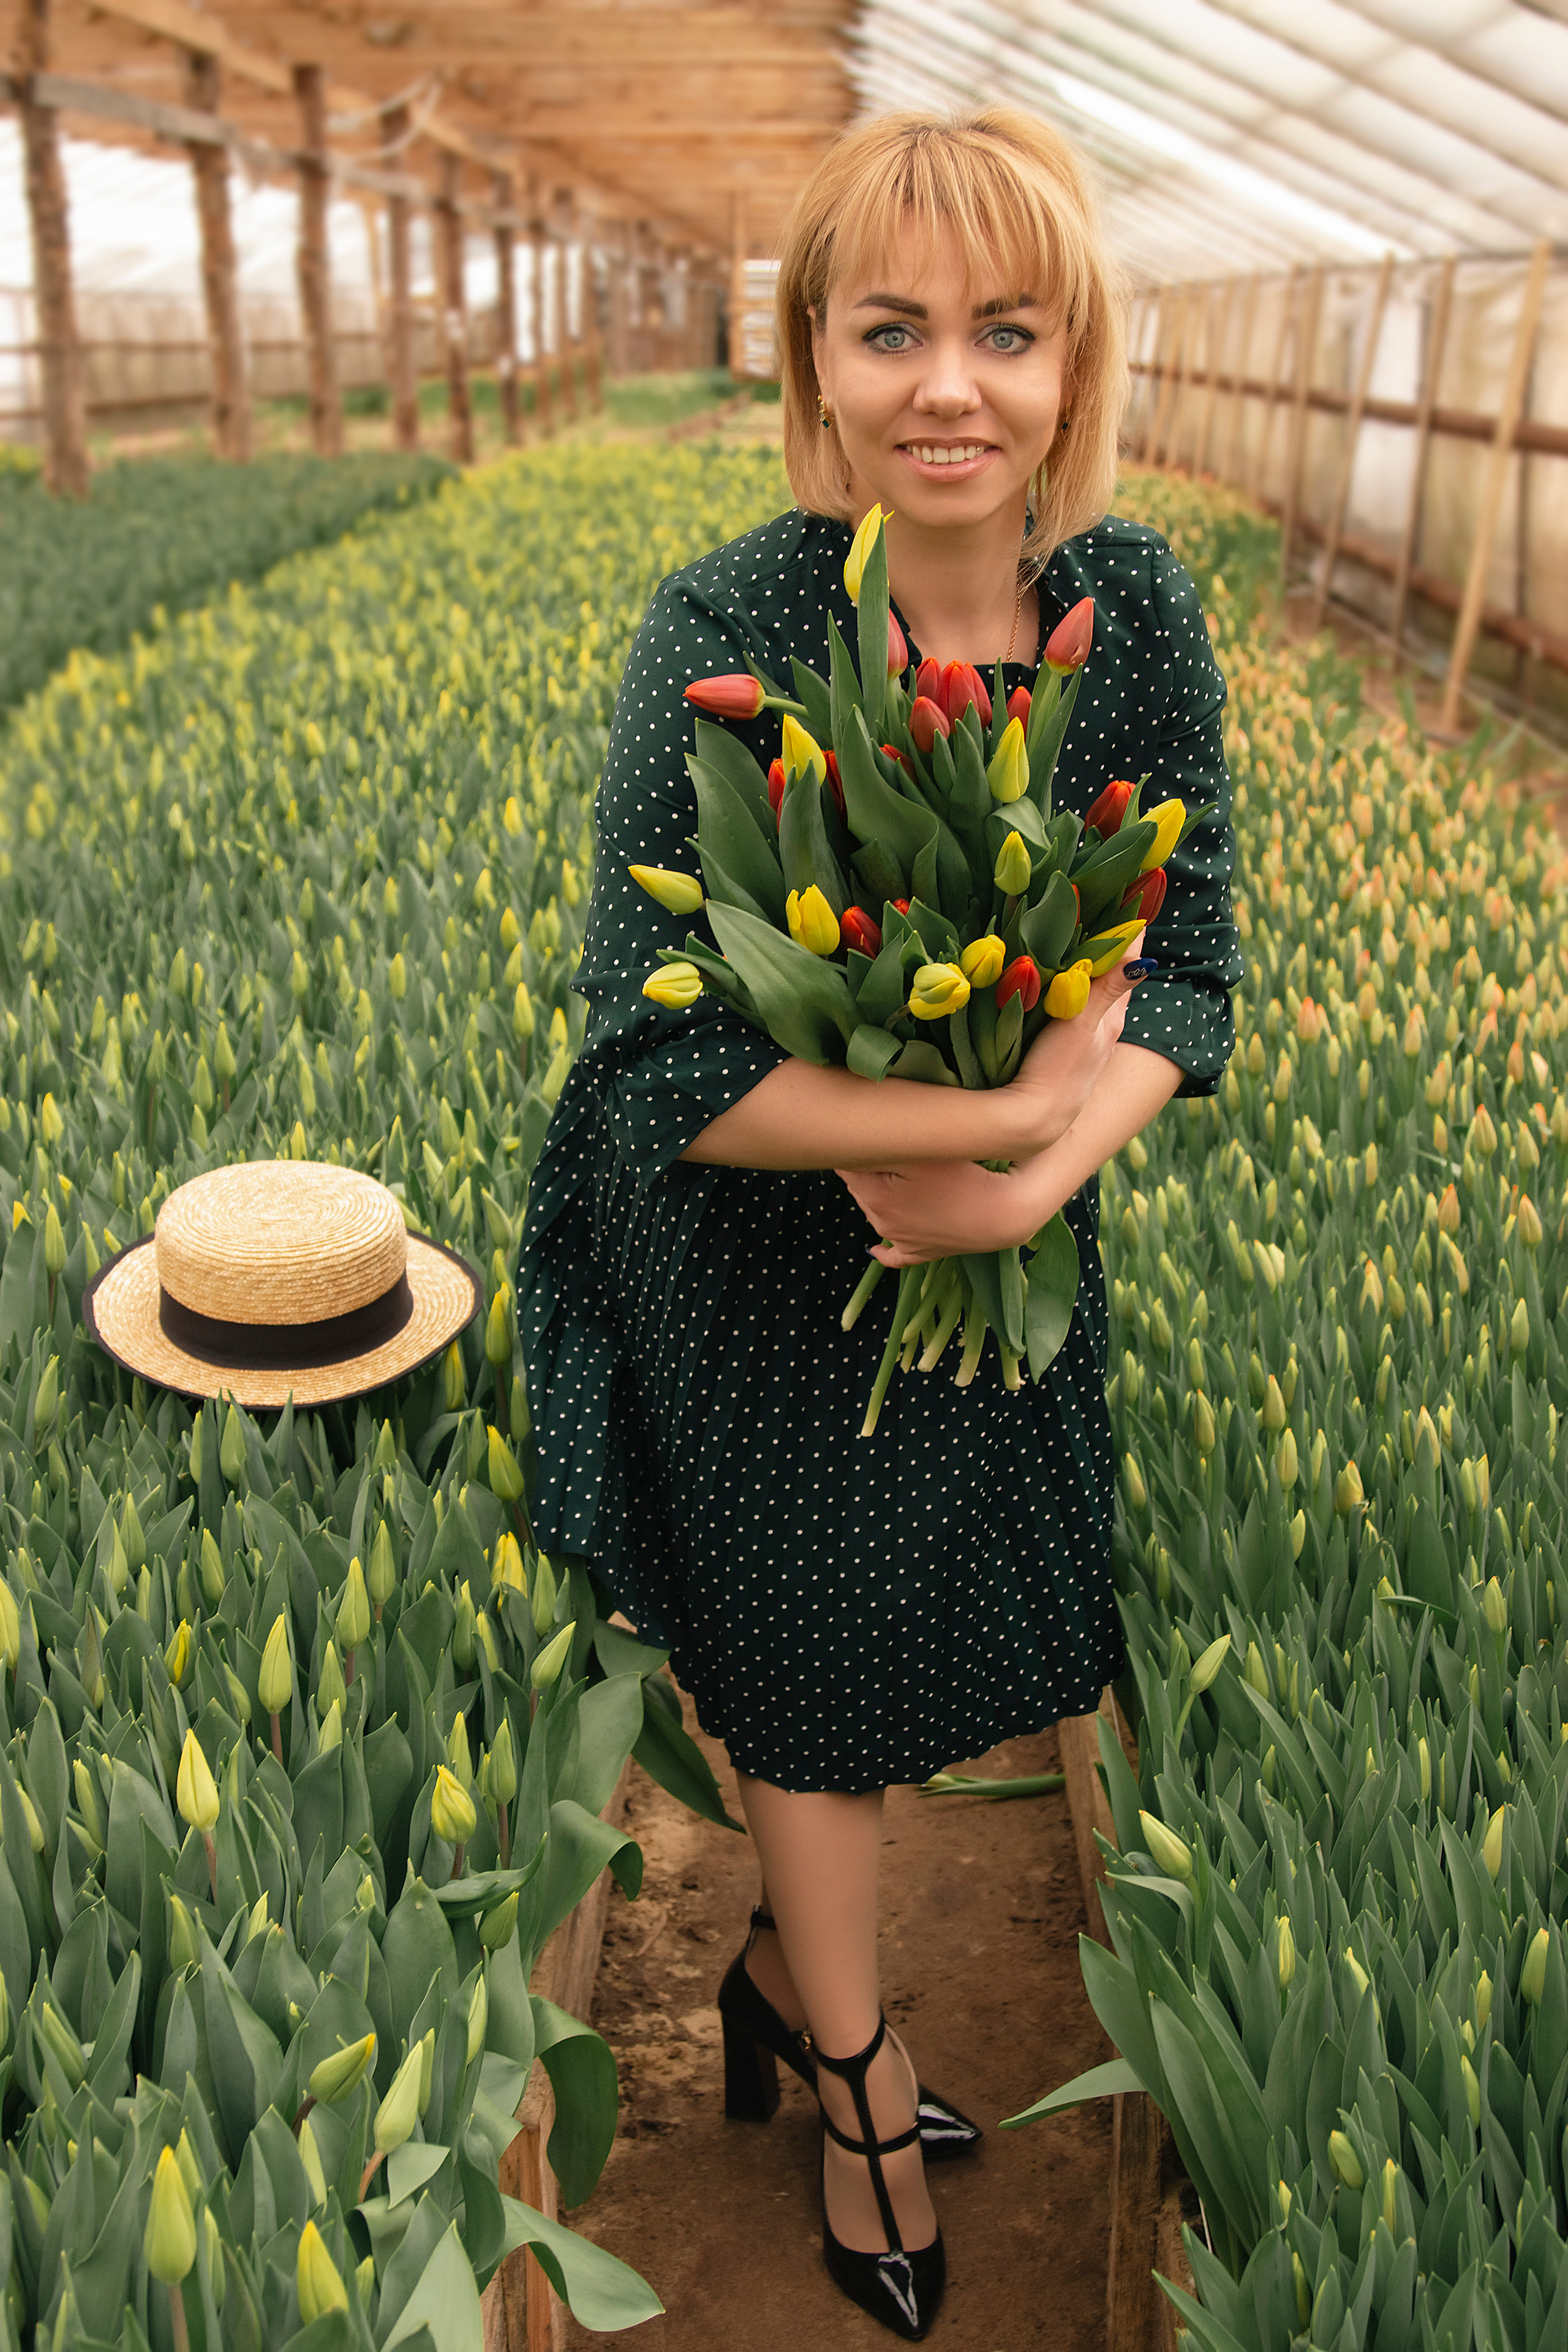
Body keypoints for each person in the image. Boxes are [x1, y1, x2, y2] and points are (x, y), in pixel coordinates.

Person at [518, 105, 1242, 2342]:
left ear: (1074, 357)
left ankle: (774, 1966)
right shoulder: (735, 621)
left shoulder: (1132, 617)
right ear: (814, 359)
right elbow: (645, 1054)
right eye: (892, 329)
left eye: (1006, 332)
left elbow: (1191, 964)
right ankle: (855, 2079)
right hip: (743, 1249)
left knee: (916, 1646)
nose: (949, 385)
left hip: (995, 1248)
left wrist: (1031, 1169)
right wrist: (952, 1118)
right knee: (818, 1682)